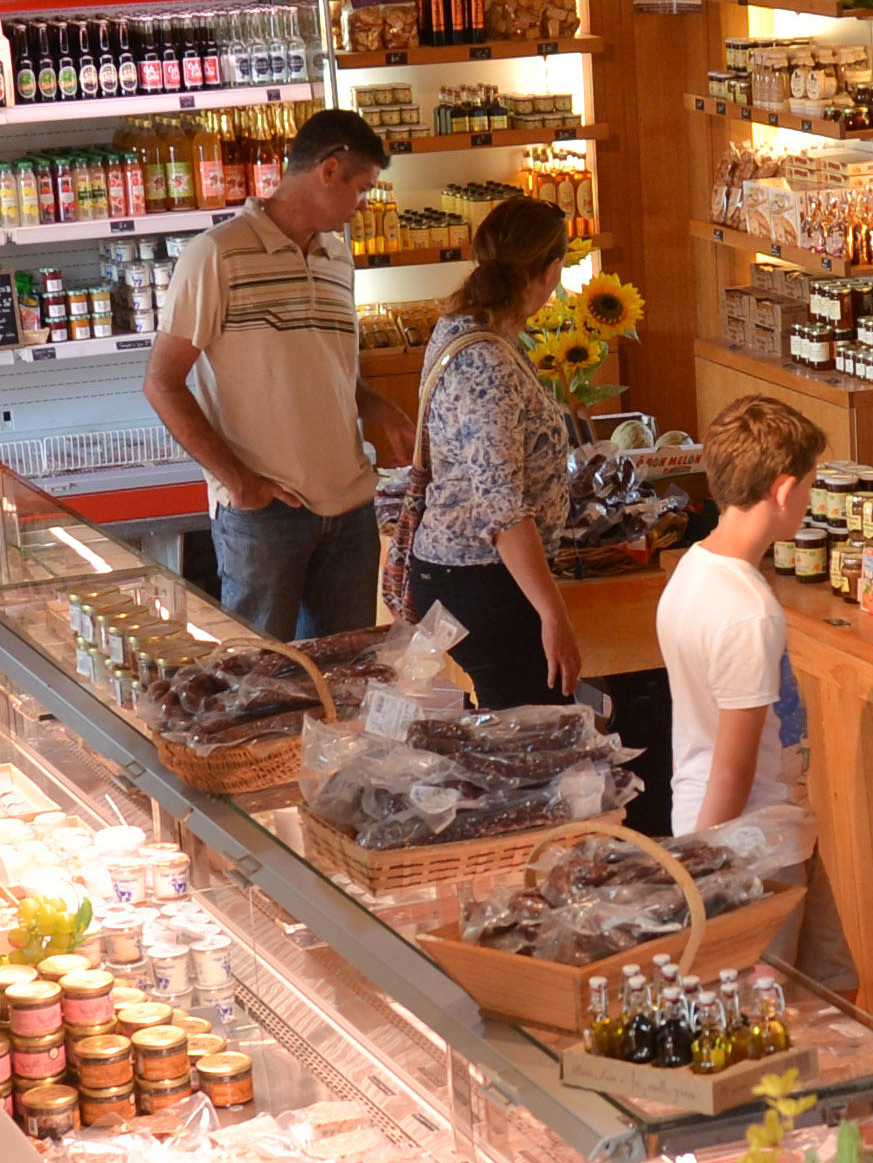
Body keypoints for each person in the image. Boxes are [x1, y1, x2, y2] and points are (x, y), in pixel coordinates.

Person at [147, 109, 396, 642]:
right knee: (262, 677)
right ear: (329, 171)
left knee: (350, 675)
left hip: (351, 510)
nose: (363, 206)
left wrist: (381, 408)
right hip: (264, 516)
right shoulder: (216, 255)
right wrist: (239, 483)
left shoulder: (337, 259)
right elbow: (162, 383)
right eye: (362, 189)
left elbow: (327, 369)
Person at [406, 189, 583, 712]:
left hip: (467, 574)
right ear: (551, 272)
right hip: (483, 581)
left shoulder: (461, 327)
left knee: (515, 731)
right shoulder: (489, 363)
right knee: (532, 737)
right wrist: (553, 612)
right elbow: (502, 510)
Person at [656, 394, 820, 833]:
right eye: (808, 487)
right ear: (783, 491)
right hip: (747, 843)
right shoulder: (750, 612)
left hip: (694, 812)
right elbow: (733, 775)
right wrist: (702, 861)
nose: (808, 501)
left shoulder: (689, 569)